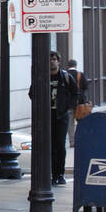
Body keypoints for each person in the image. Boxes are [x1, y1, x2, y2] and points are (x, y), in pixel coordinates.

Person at [29, 52, 77, 185]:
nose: (52, 62)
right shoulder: (42, 77)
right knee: (49, 146)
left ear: (59, 62)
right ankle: (51, 174)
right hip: (46, 116)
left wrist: (68, 107)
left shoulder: (65, 77)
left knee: (60, 145)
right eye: (50, 60)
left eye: (54, 59)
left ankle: (59, 174)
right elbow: (32, 93)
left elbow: (75, 93)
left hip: (61, 116)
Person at [66, 60, 88, 149]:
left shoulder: (65, 75)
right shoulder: (80, 75)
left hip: (69, 103)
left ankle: (72, 141)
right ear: (76, 65)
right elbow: (85, 86)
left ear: (68, 66)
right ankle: (80, 139)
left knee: (70, 123)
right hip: (79, 103)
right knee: (81, 121)